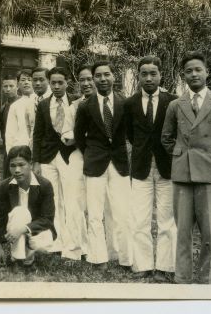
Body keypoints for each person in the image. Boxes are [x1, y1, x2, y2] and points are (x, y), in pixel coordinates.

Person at [161, 51, 211, 284]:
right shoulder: (176, 105)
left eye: (198, 69)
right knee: (182, 231)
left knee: (209, 233)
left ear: (207, 72)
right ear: (183, 75)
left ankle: (207, 279)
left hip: (210, 175)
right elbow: (166, 138)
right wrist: (182, 157)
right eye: (188, 71)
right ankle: (182, 278)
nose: (194, 74)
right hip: (182, 175)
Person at [124, 56, 178, 282]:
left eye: (153, 73)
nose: (148, 78)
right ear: (138, 76)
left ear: (160, 75)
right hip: (140, 168)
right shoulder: (130, 103)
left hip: (168, 168)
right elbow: (129, 134)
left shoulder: (173, 101)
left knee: (167, 219)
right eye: (144, 74)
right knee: (140, 219)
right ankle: (143, 264)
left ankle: (166, 267)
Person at [74, 61, 133, 269]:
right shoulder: (85, 106)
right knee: (95, 213)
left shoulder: (124, 104)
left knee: (122, 212)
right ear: (93, 79)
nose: (102, 79)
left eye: (106, 74)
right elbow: (78, 136)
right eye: (97, 76)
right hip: (95, 164)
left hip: (119, 164)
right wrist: (92, 153)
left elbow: (130, 134)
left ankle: (125, 258)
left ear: (113, 77)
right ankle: (98, 258)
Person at [32, 67, 78, 257]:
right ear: (49, 83)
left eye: (60, 82)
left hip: (69, 156)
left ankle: (73, 244)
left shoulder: (76, 102)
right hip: (47, 157)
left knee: (71, 200)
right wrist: (36, 161)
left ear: (67, 82)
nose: (57, 86)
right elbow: (37, 134)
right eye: (53, 83)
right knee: (53, 200)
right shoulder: (43, 105)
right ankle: (57, 242)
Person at [0, 145, 56, 267]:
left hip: (35, 230)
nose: (17, 170)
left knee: (44, 244)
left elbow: (48, 219)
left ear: (30, 164)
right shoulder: (5, 186)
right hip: (13, 226)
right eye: (13, 166)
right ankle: (17, 258)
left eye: (21, 165)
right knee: (20, 212)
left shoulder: (45, 185)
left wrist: (24, 229)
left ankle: (28, 250)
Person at [59, 65, 95, 260]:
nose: (86, 83)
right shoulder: (74, 107)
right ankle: (76, 248)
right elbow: (66, 134)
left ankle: (102, 248)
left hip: (102, 159)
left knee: (99, 206)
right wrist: (82, 136)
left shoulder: (109, 104)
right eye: (82, 80)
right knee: (74, 203)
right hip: (78, 156)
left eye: (90, 79)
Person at [5, 69, 34, 153]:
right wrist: (10, 152)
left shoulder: (41, 102)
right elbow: (10, 133)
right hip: (21, 148)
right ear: (18, 84)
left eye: (29, 80)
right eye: (23, 80)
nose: (26, 82)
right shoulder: (15, 106)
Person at [25, 67, 52, 149]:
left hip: (51, 149)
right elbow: (29, 127)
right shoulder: (30, 102)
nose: (37, 83)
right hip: (34, 147)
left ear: (48, 81)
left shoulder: (54, 99)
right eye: (34, 80)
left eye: (41, 80)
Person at [0, 74, 19, 177]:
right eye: (5, 86)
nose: (8, 89)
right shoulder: (3, 107)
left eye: (11, 86)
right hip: (7, 148)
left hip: (20, 147)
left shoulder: (22, 104)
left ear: (17, 86)